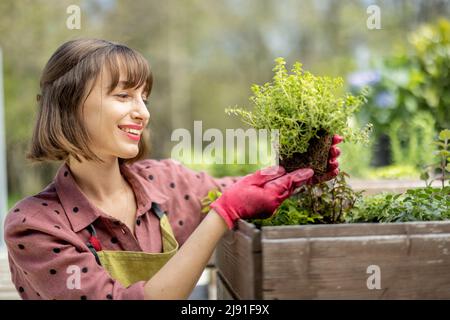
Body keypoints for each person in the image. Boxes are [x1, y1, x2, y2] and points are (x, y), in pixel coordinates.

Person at [3, 39, 342, 300]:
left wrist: (304, 172)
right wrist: (221, 215)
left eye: (144, 98)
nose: (143, 113)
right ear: (69, 105)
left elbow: (244, 191)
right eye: (123, 96)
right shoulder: (35, 226)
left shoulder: (163, 183)